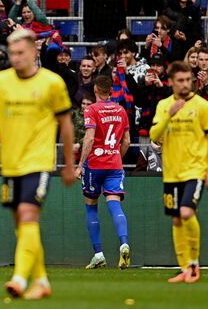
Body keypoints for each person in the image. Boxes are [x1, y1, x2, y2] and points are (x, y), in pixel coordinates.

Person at [0, 29, 75, 300]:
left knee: (27, 214)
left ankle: (19, 278)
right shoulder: (1, 81)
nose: (16, 58)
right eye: (12, 53)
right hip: (11, 164)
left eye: (21, 53)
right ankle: (41, 280)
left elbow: (66, 124)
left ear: (34, 51)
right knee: (22, 223)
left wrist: (69, 163)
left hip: (39, 162)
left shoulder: (52, 82)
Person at [150, 61, 208, 283]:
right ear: (170, 82)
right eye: (180, 80)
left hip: (195, 170)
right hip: (171, 172)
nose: (185, 84)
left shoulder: (202, 105)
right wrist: (170, 114)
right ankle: (184, 268)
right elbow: (154, 135)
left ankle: (194, 264)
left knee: (187, 212)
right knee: (177, 220)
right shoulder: (164, 105)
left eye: (188, 79)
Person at [74, 75, 131, 270]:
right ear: (111, 90)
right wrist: (116, 157)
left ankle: (98, 254)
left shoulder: (92, 109)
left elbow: (89, 138)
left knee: (91, 206)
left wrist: (80, 164)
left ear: (96, 90)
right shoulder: (121, 110)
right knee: (115, 205)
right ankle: (124, 243)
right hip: (114, 164)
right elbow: (127, 142)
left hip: (95, 164)